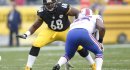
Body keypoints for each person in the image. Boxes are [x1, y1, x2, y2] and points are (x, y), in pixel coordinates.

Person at [16, 0, 95, 70]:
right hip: (51, 31)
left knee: (79, 46)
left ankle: (93, 64)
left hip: (65, 30)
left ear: (55, 2)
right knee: (36, 43)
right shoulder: (42, 11)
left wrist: (77, 25)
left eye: (51, 4)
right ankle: (28, 67)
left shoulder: (62, 7)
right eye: (47, 4)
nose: (49, 6)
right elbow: (35, 25)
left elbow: (77, 12)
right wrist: (26, 34)